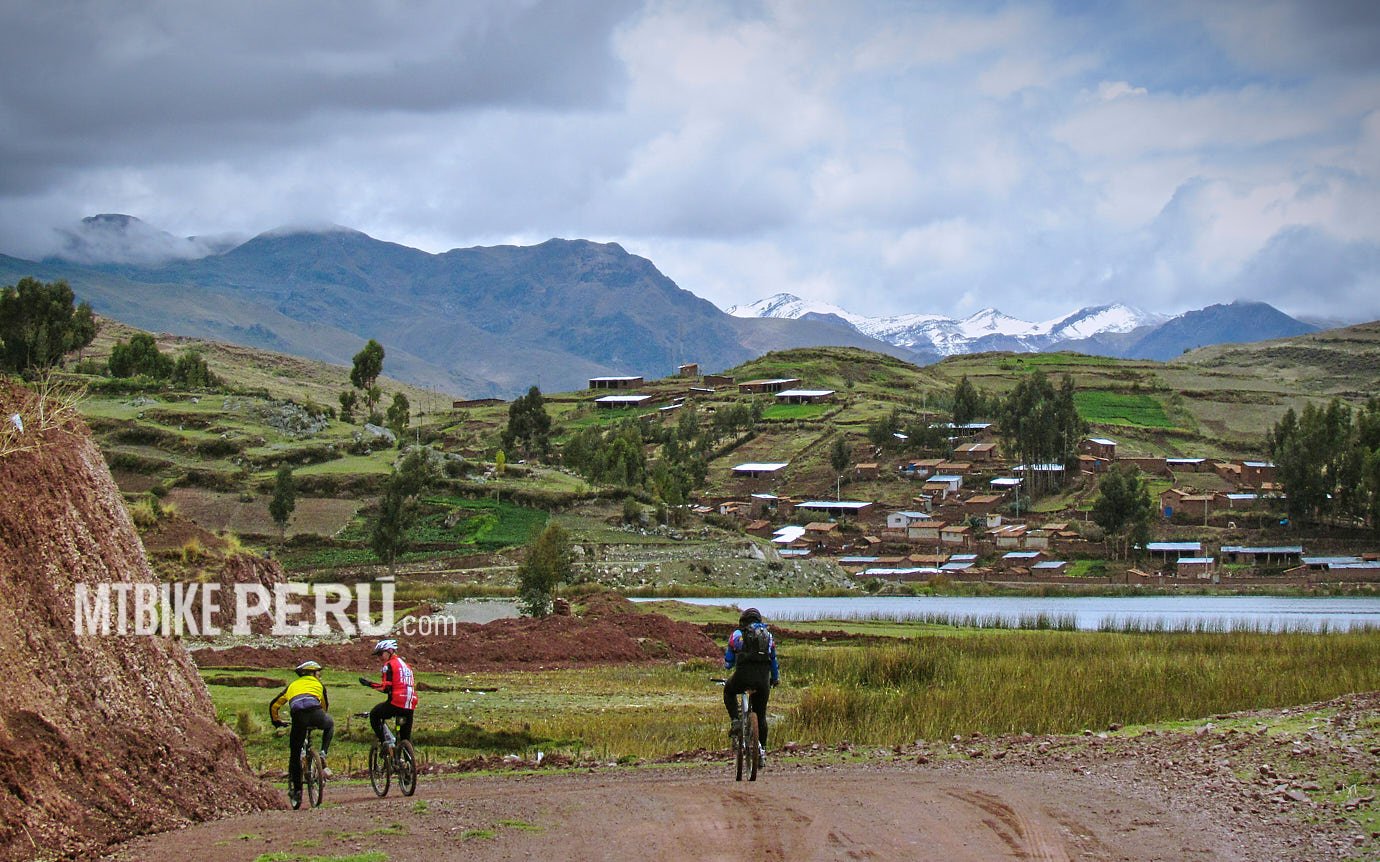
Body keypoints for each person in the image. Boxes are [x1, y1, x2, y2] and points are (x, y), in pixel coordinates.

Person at [268, 659, 334, 807]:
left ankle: (297, 791)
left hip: (298, 717)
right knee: (329, 725)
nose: (319, 676)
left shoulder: (292, 686)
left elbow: (274, 705)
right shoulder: (319, 685)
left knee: (295, 753)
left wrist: (276, 721)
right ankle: (323, 754)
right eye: (318, 673)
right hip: (316, 713)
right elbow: (324, 705)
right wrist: (320, 718)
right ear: (312, 673)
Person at [723, 607, 779, 767]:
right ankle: (762, 751)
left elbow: (728, 662)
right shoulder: (768, 636)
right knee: (761, 717)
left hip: (742, 678)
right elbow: (773, 661)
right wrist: (775, 679)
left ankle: (735, 721)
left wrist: (730, 662)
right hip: (762, 682)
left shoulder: (737, 635)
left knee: (728, 690)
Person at [358, 638, 418, 760]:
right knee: (406, 738)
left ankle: (385, 742)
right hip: (410, 704)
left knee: (375, 714)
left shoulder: (388, 665)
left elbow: (385, 688)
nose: (379, 657)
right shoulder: (407, 666)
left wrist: (369, 684)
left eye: (381, 653)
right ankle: (408, 772)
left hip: (396, 702)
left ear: (390, 651)